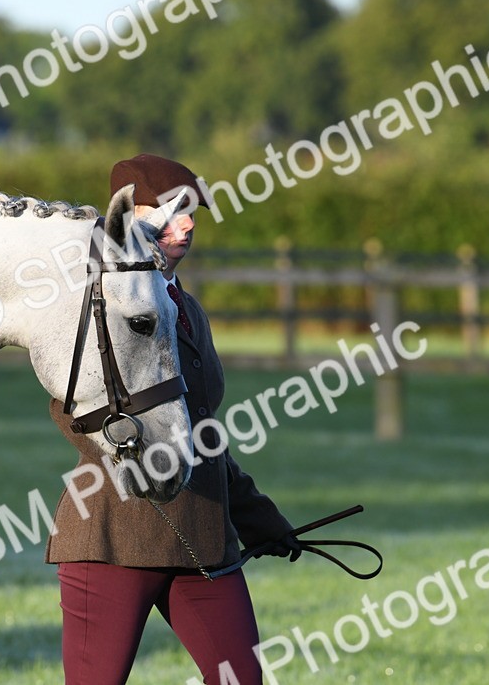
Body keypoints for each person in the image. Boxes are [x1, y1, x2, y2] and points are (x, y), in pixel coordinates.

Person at [46, 153, 302, 685]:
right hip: (113, 537)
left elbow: (201, 431)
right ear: (127, 218)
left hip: (203, 540)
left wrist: (258, 518)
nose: (185, 224)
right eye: (170, 212)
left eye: (192, 213)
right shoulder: (91, 306)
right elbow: (77, 411)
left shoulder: (190, 310)